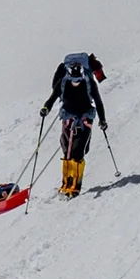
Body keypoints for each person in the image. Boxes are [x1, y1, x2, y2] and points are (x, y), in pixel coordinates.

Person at [39, 52, 107, 197]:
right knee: (67, 152)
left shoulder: (89, 83)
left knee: (77, 152)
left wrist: (102, 120)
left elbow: (99, 102)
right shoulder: (63, 82)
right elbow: (52, 98)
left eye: (78, 80)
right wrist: (46, 108)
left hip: (85, 119)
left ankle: (75, 186)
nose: (76, 83)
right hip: (68, 118)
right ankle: (66, 184)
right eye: (73, 80)